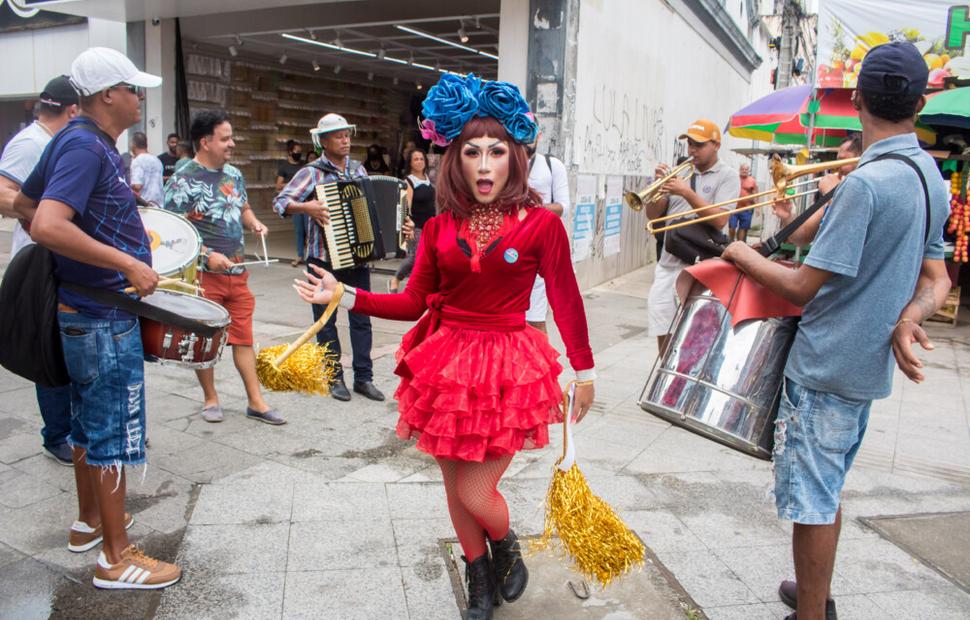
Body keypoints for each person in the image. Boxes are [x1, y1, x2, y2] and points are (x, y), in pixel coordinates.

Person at [294, 74, 595, 620]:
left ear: (516, 158)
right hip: (448, 367)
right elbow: (412, 302)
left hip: (509, 367)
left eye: (496, 152)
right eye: (471, 152)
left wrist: (585, 370)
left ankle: (506, 546)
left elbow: (568, 298)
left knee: (481, 495)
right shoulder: (438, 229)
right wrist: (346, 295)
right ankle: (478, 573)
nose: (484, 166)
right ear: (454, 158)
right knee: (456, 489)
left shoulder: (541, 225)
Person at [721, 42, 951, 620]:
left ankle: (811, 614)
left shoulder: (866, 185)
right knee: (825, 490)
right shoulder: (928, 176)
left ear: (855, 101)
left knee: (812, 502)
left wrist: (739, 253)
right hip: (864, 368)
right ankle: (812, 591)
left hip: (824, 366)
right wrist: (909, 318)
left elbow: (800, 288)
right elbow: (937, 280)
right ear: (920, 103)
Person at [15, 47, 180, 589]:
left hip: (88, 311)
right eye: (133, 89)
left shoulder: (75, 140)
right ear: (107, 95)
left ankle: (90, 523)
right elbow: (45, 223)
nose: (140, 97)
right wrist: (126, 260)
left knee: (88, 428)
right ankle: (116, 558)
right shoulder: (85, 146)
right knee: (112, 433)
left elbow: (22, 202)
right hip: (102, 314)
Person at [163, 110, 284, 426]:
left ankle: (256, 402)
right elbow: (171, 234)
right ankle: (210, 398)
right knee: (206, 340)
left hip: (237, 272)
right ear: (205, 142)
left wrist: (254, 222)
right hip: (204, 276)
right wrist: (206, 256)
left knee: (243, 337)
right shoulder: (182, 180)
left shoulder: (234, 174)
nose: (232, 144)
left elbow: (242, 207)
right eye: (225, 138)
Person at [273, 113, 384, 403]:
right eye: (338, 136)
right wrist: (307, 207)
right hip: (322, 258)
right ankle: (334, 377)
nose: (346, 140)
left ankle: (364, 377)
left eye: (347, 135)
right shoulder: (310, 172)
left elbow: (370, 209)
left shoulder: (358, 170)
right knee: (325, 320)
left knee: (362, 319)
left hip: (356, 258)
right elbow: (281, 202)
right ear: (322, 142)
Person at [0, 75, 78, 466]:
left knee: (69, 346)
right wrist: (46, 212)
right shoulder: (31, 142)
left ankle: (77, 428)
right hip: (38, 264)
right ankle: (56, 434)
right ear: (73, 109)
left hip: (63, 260)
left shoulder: (56, 140)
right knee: (49, 349)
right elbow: (1, 193)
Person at [645, 120, 739, 354]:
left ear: (716, 145)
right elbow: (653, 217)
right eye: (689, 144)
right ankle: (666, 375)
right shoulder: (679, 174)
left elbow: (719, 220)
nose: (692, 150)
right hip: (668, 264)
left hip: (702, 267)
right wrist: (658, 189)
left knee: (698, 337)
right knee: (663, 329)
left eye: (698, 144)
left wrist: (686, 192)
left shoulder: (727, 176)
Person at [772, 134, 863, 247]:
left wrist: (833, 194)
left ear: (861, 159)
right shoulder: (836, 194)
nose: (836, 167)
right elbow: (802, 238)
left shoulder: (866, 194)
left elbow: (852, 227)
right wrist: (787, 217)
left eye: (842, 160)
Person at [524, 128, 570, 333]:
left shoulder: (553, 165)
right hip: (505, 249)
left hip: (539, 249)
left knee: (535, 320)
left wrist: (529, 211)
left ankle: (541, 366)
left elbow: (563, 207)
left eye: (530, 132)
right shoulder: (502, 163)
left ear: (539, 135)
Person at [388, 148, 434, 293]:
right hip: (416, 226)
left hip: (430, 225)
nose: (419, 162)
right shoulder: (408, 181)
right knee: (415, 257)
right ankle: (395, 280)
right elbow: (406, 208)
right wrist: (409, 227)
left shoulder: (427, 179)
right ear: (410, 163)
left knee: (429, 257)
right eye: (416, 159)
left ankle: (421, 286)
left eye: (421, 158)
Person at [276, 139, 307, 267]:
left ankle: (310, 256)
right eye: (296, 151)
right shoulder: (284, 167)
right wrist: (292, 184)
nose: (299, 154)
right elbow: (278, 185)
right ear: (290, 152)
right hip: (294, 203)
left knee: (309, 230)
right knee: (299, 230)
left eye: (300, 152)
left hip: (307, 201)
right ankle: (300, 256)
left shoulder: (304, 166)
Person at [129, 131, 164, 206]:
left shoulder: (137, 161)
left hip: (145, 206)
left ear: (133, 145)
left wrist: (126, 185)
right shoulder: (157, 160)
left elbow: (137, 186)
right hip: (159, 206)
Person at [729, 162, 758, 242]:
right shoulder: (734, 178)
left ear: (748, 170)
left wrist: (758, 207)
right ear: (740, 170)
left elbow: (756, 194)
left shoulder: (752, 181)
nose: (744, 171)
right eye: (742, 169)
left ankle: (740, 245)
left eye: (746, 169)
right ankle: (730, 243)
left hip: (746, 209)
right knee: (732, 227)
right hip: (734, 208)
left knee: (743, 229)